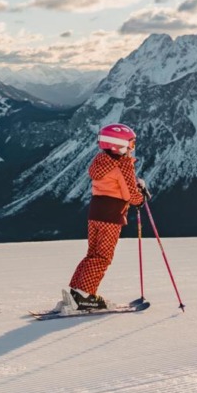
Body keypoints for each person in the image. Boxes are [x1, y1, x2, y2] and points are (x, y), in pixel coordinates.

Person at [62, 123, 146, 312]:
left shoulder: (100, 161)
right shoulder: (122, 164)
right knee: (102, 257)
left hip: (95, 214)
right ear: (119, 145)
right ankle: (85, 296)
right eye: (131, 144)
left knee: (93, 254)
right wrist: (141, 198)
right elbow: (130, 195)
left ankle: (76, 292)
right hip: (111, 216)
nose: (132, 148)